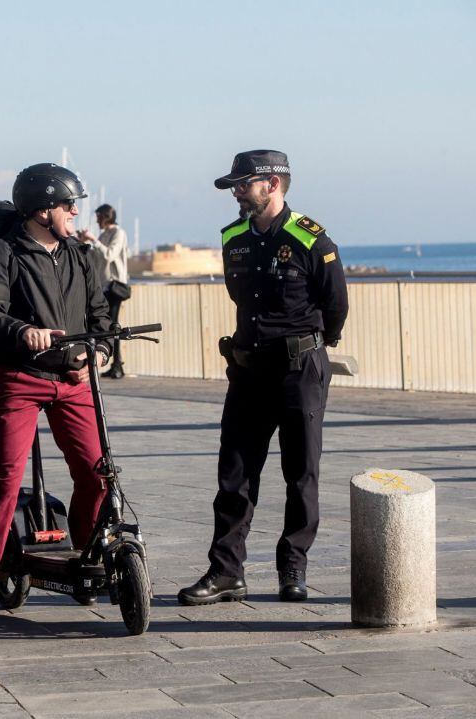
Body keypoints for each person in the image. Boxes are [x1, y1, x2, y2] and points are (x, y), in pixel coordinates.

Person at [179, 150, 348, 606]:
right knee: (234, 475)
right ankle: (226, 572)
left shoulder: (311, 239)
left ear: (272, 185)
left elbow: (336, 308)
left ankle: (293, 566)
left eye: (243, 183)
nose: (236, 191)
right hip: (249, 373)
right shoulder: (234, 237)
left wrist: (307, 347)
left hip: (299, 370)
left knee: (300, 473)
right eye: (234, 184)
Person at [0, 163, 112, 622]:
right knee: (7, 476)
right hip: (18, 378)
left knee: (96, 473)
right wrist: (22, 330)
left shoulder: (82, 256)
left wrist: (101, 353)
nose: (74, 212)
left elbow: (100, 315)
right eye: (68, 204)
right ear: (43, 210)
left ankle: (89, 559)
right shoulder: (3, 253)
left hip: (72, 380)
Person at [78, 203, 130, 378]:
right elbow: (97, 259)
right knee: (110, 325)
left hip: (114, 286)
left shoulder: (118, 233)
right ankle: (116, 365)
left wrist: (93, 239)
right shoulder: (104, 234)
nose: (97, 220)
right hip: (105, 286)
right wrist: (84, 244)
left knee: (112, 325)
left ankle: (117, 365)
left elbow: (109, 254)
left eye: (98, 217)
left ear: (105, 216)